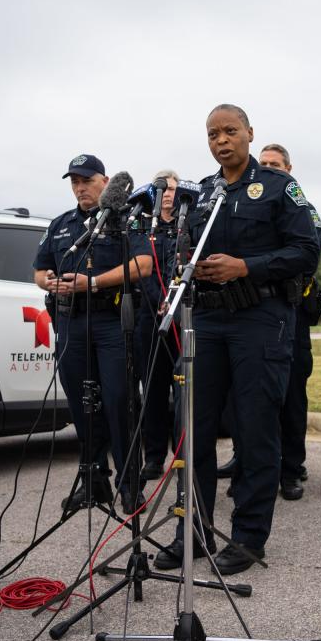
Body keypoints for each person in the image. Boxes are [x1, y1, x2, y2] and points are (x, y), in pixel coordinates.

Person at [153, 105, 320, 575]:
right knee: (194, 430)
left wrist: (246, 265)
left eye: (229, 131)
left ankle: (248, 539)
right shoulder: (204, 193)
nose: (221, 140)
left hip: (260, 319)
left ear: (249, 133)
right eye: (212, 134)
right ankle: (195, 531)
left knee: (254, 429)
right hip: (205, 319)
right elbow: (177, 248)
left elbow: (305, 250)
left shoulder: (278, 187)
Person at [33, 154, 153, 515]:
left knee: (119, 403)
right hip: (71, 323)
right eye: (74, 182)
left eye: (86, 181)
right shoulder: (62, 224)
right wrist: (50, 282)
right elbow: (40, 270)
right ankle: (93, 482)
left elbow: (144, 265)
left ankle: (130, 485)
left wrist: (95, 282)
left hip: (110, 320)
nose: (80, 188)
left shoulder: (125, 219)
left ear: (105, 181)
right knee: (82, 407)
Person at [215, 144, 321, 501]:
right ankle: (245, 460)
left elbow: (306, 255)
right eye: (263, 164)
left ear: (289, 169)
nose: (267, 169)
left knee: (289, 397)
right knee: (245, 399)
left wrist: (251, 267)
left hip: (286, 311)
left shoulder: (301, 206)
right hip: (240, 314)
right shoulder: (229, 196)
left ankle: (291, 469)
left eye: (274, 165)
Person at [135, 170, 181, 481]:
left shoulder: (188, 226)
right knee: (152, 390)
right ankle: (153, 457)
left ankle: (183, 454)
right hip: (148, 317)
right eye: (161, 189)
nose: (167, 194)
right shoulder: (141, 228)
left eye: (173, 189)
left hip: (179, 318)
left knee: (183, 389)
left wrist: (172, 301)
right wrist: (157, 300)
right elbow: (142, 270)